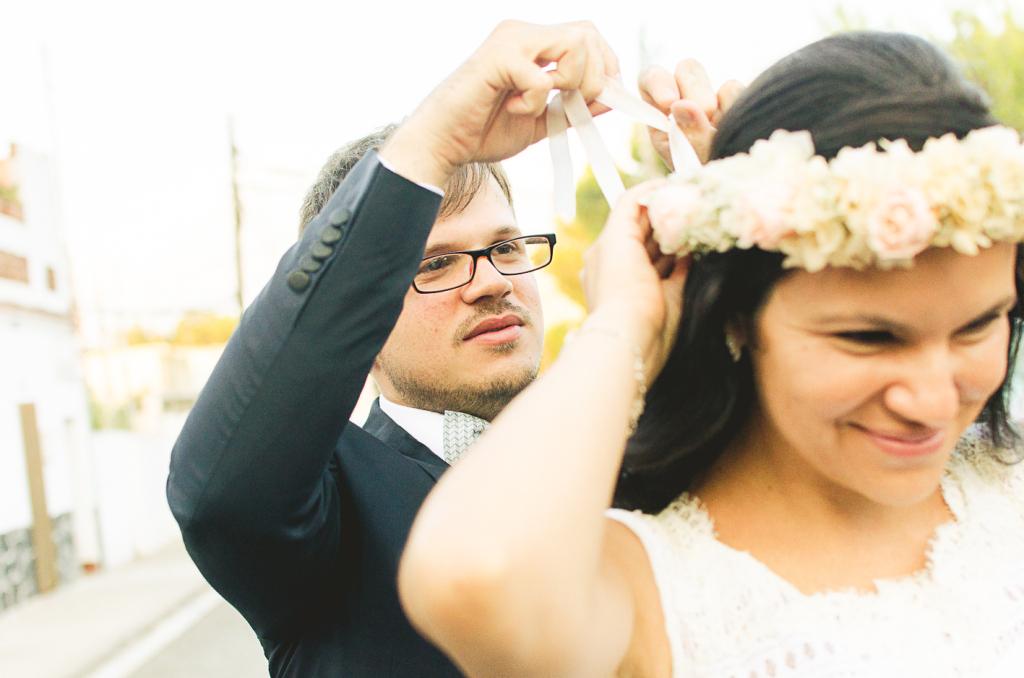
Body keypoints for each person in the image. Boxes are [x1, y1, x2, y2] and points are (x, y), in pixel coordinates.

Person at [399, 31, 1024, 677]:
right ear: (736, 316)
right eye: (869, 338)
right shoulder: (642, 586)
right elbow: (471, 576)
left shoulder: (1007, 477)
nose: (931, 402)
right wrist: (627, 320)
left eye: (977, 327)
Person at [166, 20, 621, 677]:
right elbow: (218, 497)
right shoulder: (324, 513)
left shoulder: (621, 444)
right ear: (360, 311)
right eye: (434, 265)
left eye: (505, 246)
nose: (492, 280)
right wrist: (436, 139)